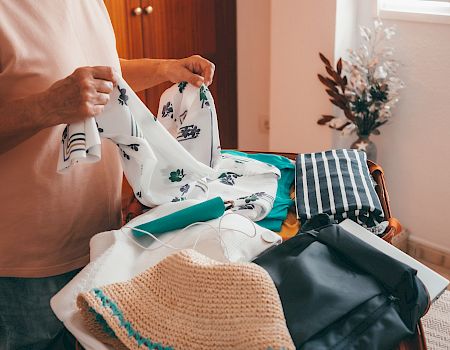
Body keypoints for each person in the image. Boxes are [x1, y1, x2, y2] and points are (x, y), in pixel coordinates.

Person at [0, 1, 215, 348]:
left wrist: (165, 68)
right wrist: (47, 106)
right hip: (24, 273)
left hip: (101, 242)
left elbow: (105, 74)